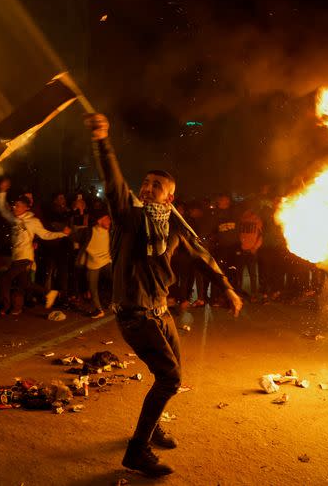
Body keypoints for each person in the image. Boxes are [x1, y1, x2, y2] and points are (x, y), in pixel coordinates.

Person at [86, 113, 242, 476]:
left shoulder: (173, 224)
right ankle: (137, 451)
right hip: (135, 314)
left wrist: (227, 287)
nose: (147, 187)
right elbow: (113, 182)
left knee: (173, 374)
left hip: (160, 312)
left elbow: (201, 256)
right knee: (169, 378)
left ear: (170, 196)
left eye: (156, 185)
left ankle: (152, 426)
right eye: (145, 182)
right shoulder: (129, 216)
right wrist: (102, 140)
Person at [0, 180, 68, 317]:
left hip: (25, 256)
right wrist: (2, 192)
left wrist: (62, 234)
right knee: (25, 284)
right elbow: (2, 208)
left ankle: (1, 306)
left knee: (5, 279)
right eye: (14, 206)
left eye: (18, 206)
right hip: (16, 256)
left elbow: (45, 234)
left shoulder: (33, 222)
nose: (15, 208)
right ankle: (48, 292)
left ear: (26, 208)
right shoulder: (14, 219)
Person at [75, 210, 112, 318]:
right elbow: (75, 236)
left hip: (107, 262)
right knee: (92, 287)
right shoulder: (89, 232)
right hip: (93, 263)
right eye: (107, 219)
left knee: (117, 280)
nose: (109, 221)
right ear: (99, 221)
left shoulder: (111, 231)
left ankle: (113, 302)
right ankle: (99, 310)